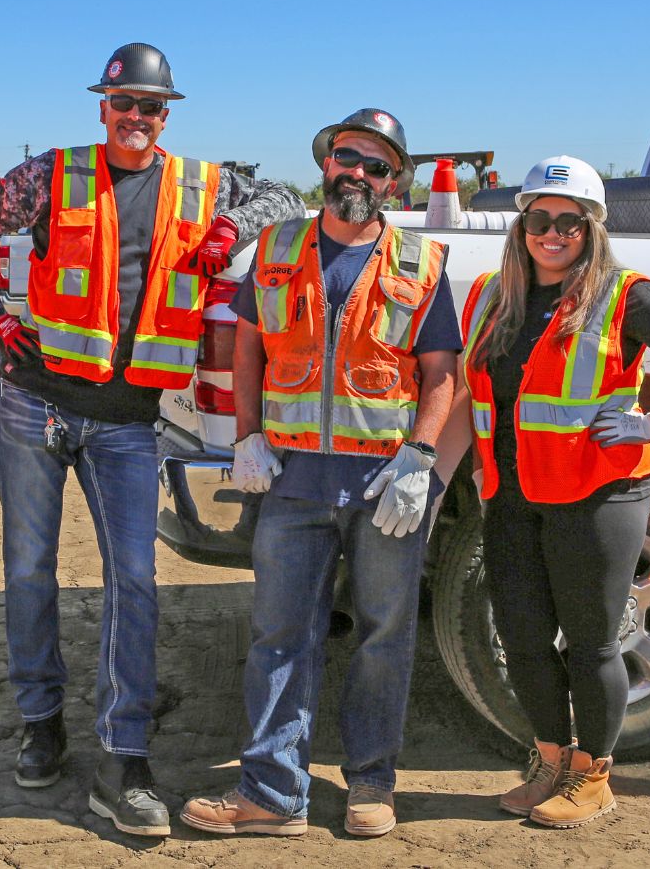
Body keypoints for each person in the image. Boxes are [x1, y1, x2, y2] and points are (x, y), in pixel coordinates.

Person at [0, 43, 303, 837]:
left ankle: (123, 754)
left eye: (151, 107)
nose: (136, 118)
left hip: (128, 421)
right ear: (101, 105)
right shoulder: (53, 174)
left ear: (166, 114)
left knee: (132, 584)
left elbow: (281, 198)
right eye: (123, 103)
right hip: (34, 405)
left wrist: (227, 230)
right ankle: (41, 723)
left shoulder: (201, 185)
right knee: (30, 571)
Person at [180, 108, 461, 838]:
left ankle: (372, 781)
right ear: (325, 163)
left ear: (393, 182)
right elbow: (248, 350)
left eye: (375, 166)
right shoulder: (275, 247)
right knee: (280, 635)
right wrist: (245, 436)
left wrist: (420, 458)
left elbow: (441, 375)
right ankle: (273, 794)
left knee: (384, 636)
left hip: (381, 488)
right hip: (292, 482)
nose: (357, 175)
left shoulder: (420, 264)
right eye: (347, 158)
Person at [456, 156, 650, 827]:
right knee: (520, 637)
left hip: (597, 494)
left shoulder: (624, 293)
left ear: (591, 229)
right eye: (539, 220)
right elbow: (472, 390)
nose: (552, 234)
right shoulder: (492, 293)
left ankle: (593, 777)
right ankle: (549, 762)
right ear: (521, 226)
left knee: (592, 642)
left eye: (569, 223)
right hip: (513, 495)